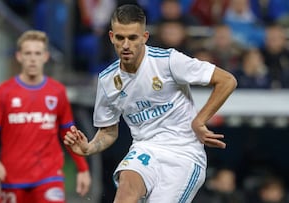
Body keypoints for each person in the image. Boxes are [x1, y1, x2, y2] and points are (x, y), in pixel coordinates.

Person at [64, 4, 237, 203]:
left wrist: (199, 121)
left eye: (133, 38)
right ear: (111, 37)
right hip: (144, 148)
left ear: (144, 37)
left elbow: (227, 80)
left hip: (183, 154)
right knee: (125, 193)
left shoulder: (168, 61)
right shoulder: (107, 80)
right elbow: (108, 131)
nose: (126, 45)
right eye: (120, 38)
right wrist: (89, 147)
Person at [0, 30, 91, 203]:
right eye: (28, 53)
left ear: (46, 56)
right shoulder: (4, 92)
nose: (33, 58)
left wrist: (83, 168)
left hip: (48, 175)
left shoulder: (57, 92)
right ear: (19, 56)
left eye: (37, 53)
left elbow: (68, 133)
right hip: (13, 177)